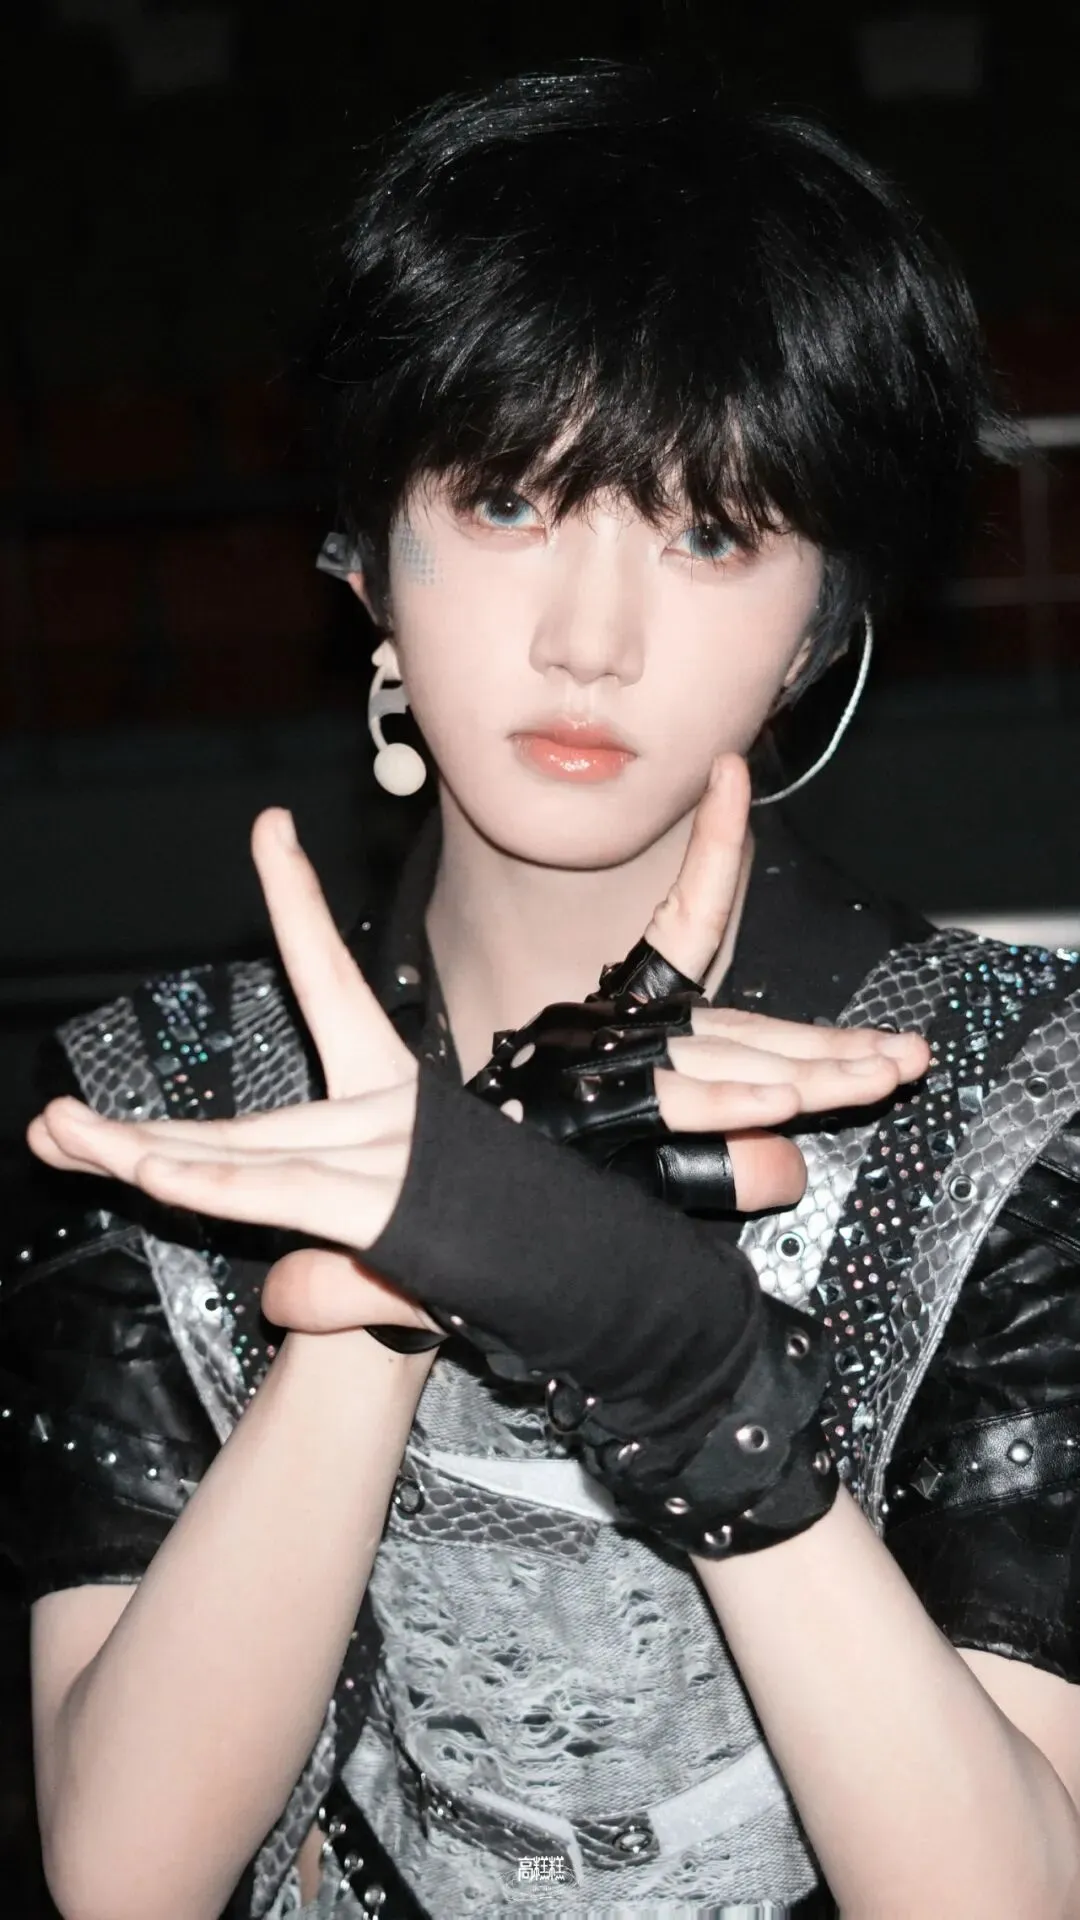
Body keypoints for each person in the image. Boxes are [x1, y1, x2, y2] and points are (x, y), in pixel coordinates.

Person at [4, 61, 1080, 1920]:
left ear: (820, 621)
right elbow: (127, 1874)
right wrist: (405, 1272)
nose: (593, 638)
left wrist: (702, 1380)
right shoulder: (171, 1097)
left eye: (712, 535)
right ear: (365, 556)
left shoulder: (1009, 1091)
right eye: (508, 501)